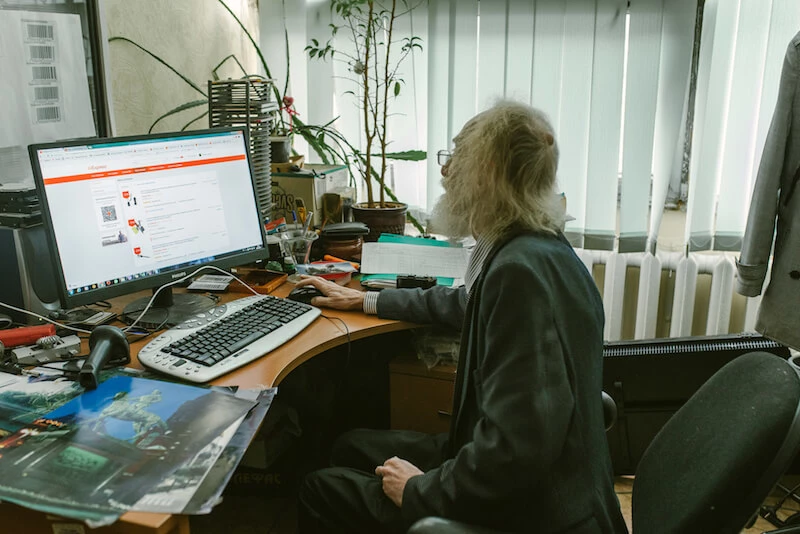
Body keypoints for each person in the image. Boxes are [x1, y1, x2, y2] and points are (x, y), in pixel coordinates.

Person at [295, 100, 628, 534]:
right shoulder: (540, 248)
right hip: (543, 483)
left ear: (486, 172)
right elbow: (465, 304)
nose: (445, 171)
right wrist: (365, 300)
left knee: (319, 488)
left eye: (456, 158)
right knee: (348, 445)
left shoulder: (518, 273)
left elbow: (513, 453)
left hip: (532, 513)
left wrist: (419, 490)